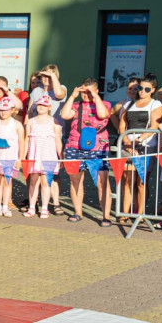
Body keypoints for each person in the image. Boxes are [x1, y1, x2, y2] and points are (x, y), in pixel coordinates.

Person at [60, 78, 113, 225]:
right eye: (84, 92)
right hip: (74, 146)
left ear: (96, 91)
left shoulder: (105, 104)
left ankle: (106, 216)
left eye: (88, 92)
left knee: (102, 182)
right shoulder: (77, 105)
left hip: (97, 148)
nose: (85, 95)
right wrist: (72, 96)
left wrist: (95, 97)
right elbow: (64, 115)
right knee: (75, 180)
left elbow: (103, 115)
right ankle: (78, 212)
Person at [117, 74, 162, 218]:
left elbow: (154, 125)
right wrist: (126, 141)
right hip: (127, 146)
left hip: (146, 147)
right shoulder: (130, 104)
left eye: (146, 88)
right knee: (127, 180)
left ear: (153, 89)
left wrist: (138, 140)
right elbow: (122, 124)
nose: (142, 91)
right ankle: (125, 212)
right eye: (140, 88)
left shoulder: (155, 104)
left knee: (141, 181)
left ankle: (140, 213)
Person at [26, 65, 69, 216]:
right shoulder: (37, 91)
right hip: (36, 133)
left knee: (53, 174)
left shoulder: (60, 87)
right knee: (34, 172)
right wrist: (28, 127)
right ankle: (34, 203)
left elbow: (58, 93)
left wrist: (52, 78)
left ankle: (55, 203)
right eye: (43, 75)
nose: (45, 78)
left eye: (48, 76)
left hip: (53, 134)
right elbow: (30, 110)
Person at [23, 95, 63, 218]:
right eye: (39, 104)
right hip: (34, 155)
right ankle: (32, 207)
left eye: (44, 105)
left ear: (49, 107)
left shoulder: (55, 122)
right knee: (33, 181)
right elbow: (26, 141)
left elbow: (58, 140)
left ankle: (45, 208)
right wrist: (23, 156)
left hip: (49, 155)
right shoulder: (31, 121)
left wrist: (60, 157)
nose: (41, 107)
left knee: (46, 182)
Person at [0, 97, 27, 217]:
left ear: (12, 110)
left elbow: (22, 142)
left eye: (6, 110)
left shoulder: (17, 124)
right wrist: (2, 142)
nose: (3, 112)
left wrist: (20, 158)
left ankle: (6, 206)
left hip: (11, 157)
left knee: (7, 181)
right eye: (1, 110)